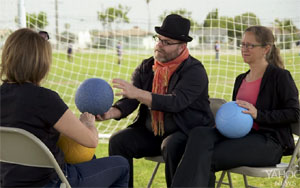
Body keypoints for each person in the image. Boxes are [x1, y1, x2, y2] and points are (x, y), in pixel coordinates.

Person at [171, 25, 300, 187]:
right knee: (199, 133)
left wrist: (258, 114)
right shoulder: (241, 79)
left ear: (266, 49)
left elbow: (294, 113)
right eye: (243, 44)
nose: (244, 49)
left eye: (250, 45)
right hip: (241, 136)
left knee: (203, 158)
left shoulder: (280, 77)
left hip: (269, 143)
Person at [0, 28, 129, 187]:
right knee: (121, 166)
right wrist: (88, 123)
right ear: (42, 63)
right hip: (50, 182)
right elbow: (90, 141)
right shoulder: (45, 99)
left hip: (8, 182)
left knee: (90, 161)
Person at [96, 14, 214, 187]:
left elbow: (175, 102)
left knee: (172, 145)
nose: (159, 45)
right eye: (158, 39)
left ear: (182, 46)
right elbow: (131, 100)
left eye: (166, 42)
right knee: (118, 141)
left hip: (186, 132)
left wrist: (138, 93)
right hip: (153, 133)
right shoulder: (147, 66)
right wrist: (111, 112)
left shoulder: (194, 71)